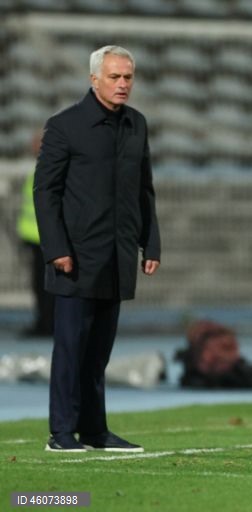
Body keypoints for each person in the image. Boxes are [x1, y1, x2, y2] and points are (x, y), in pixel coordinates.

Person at [34, 45, 161, 453]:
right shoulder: (64, 126)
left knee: (99, 354)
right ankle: (61, 433)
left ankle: (94, 430)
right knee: (71, 350)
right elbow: (45, 193)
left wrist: (150, 243)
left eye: (128, 77)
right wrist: (56, 249)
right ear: (94, 79)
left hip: (117, 257)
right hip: (74, 258)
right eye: (114, 77)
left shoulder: (136, 125)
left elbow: (144, 190)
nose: (123, 84)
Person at [16, 132, 54, 338]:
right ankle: (44, 322)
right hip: (35, 237)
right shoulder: (39, 168)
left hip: (47, 239)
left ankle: (48, 324)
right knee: (40, 285)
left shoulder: (50, 168)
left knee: (46, 286)